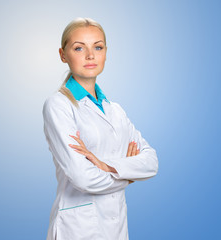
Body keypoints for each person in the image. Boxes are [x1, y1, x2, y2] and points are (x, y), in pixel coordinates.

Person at [42, 17, 159, 240]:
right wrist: (129, 174)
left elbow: (152, 162)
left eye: (98, 47)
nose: (90, 55)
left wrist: (107, 166)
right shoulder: (58, 105)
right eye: (79, 48)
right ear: (63, 54)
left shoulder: (115, 110)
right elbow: (82, 177)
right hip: (78, 229)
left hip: (117, 226)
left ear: (106, 51)